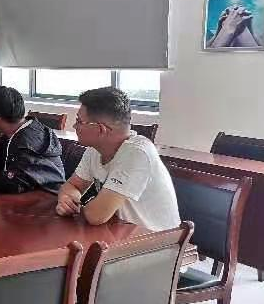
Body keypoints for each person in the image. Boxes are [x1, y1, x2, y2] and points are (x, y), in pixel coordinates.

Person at [55, 87, 180, 231]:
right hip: (118, 232)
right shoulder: (95, 149)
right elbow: (73, 185)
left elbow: (96, 216)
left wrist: (82, 205)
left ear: (100, 129)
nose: (74, 126)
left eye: (79, 121)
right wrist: (68, 200)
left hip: (157, 240)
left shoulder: (137, 153)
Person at [0, 86, 65, 193]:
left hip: (45, 198)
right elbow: (1, 170)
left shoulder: (28, 141)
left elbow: (16, 182)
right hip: (23, 196)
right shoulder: (11, 133)